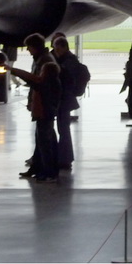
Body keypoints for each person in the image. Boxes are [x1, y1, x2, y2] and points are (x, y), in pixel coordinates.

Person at [8, 33, 61, 183]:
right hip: (43, 107)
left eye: (29, 47)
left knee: (45, 141)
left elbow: (35, 81)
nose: (28, 51)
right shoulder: (42, 60)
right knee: (42, 139)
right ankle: (39, 168)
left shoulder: (44, 62)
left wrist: (12, 70)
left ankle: (47, 171)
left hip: (44, 107)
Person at [51, 36, 80, 170]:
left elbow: (66, 80)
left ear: (64, 48)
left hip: (63, 99)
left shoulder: (67, 62)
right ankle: (64, 157)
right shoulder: (69, 60)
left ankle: (64, 158)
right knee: (63, 129)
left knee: (63, 129)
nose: (55, 51)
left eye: (57, 48)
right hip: (64, 99)